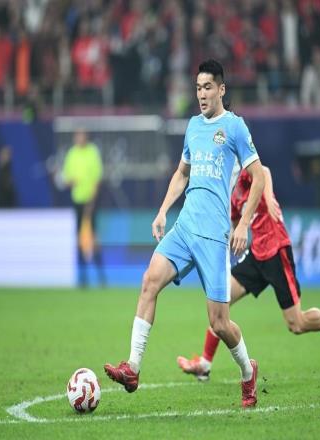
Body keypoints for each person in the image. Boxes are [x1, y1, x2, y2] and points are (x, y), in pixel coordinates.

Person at [104, 59, 265, 408]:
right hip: (185, 226)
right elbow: (181, 173)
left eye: (208, 87)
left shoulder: (235, 128)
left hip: (214, 236)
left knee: (219, 323)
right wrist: (163, 210)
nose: (201, 94)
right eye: (198, 88)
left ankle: (247, 371)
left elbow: (259, 177)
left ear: (221, 89)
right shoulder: (193, 126)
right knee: (149, 281)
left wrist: (243, 224)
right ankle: (132, 368)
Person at [177, 166, 320, 382]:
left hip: (277, 251)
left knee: (296, 324)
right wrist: (230, 236)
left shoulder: (244, 173)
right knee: (220, 302)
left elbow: (263, 172)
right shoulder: (232, 194)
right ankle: (204, 365)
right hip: (257, 254)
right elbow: (235, 222)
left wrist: (268, 195)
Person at [62, 129, 106, 287]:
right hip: (77, 201)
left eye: (82, 135)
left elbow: (97, 178)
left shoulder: (92, 152)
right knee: (79, 238)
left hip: (90, 200)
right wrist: (69, 181)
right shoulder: (71, 153)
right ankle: (83, 278)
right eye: (77, 136)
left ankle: (101, 276)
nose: (79, 138)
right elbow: (66, 178)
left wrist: (92, 201)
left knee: (93, 237)